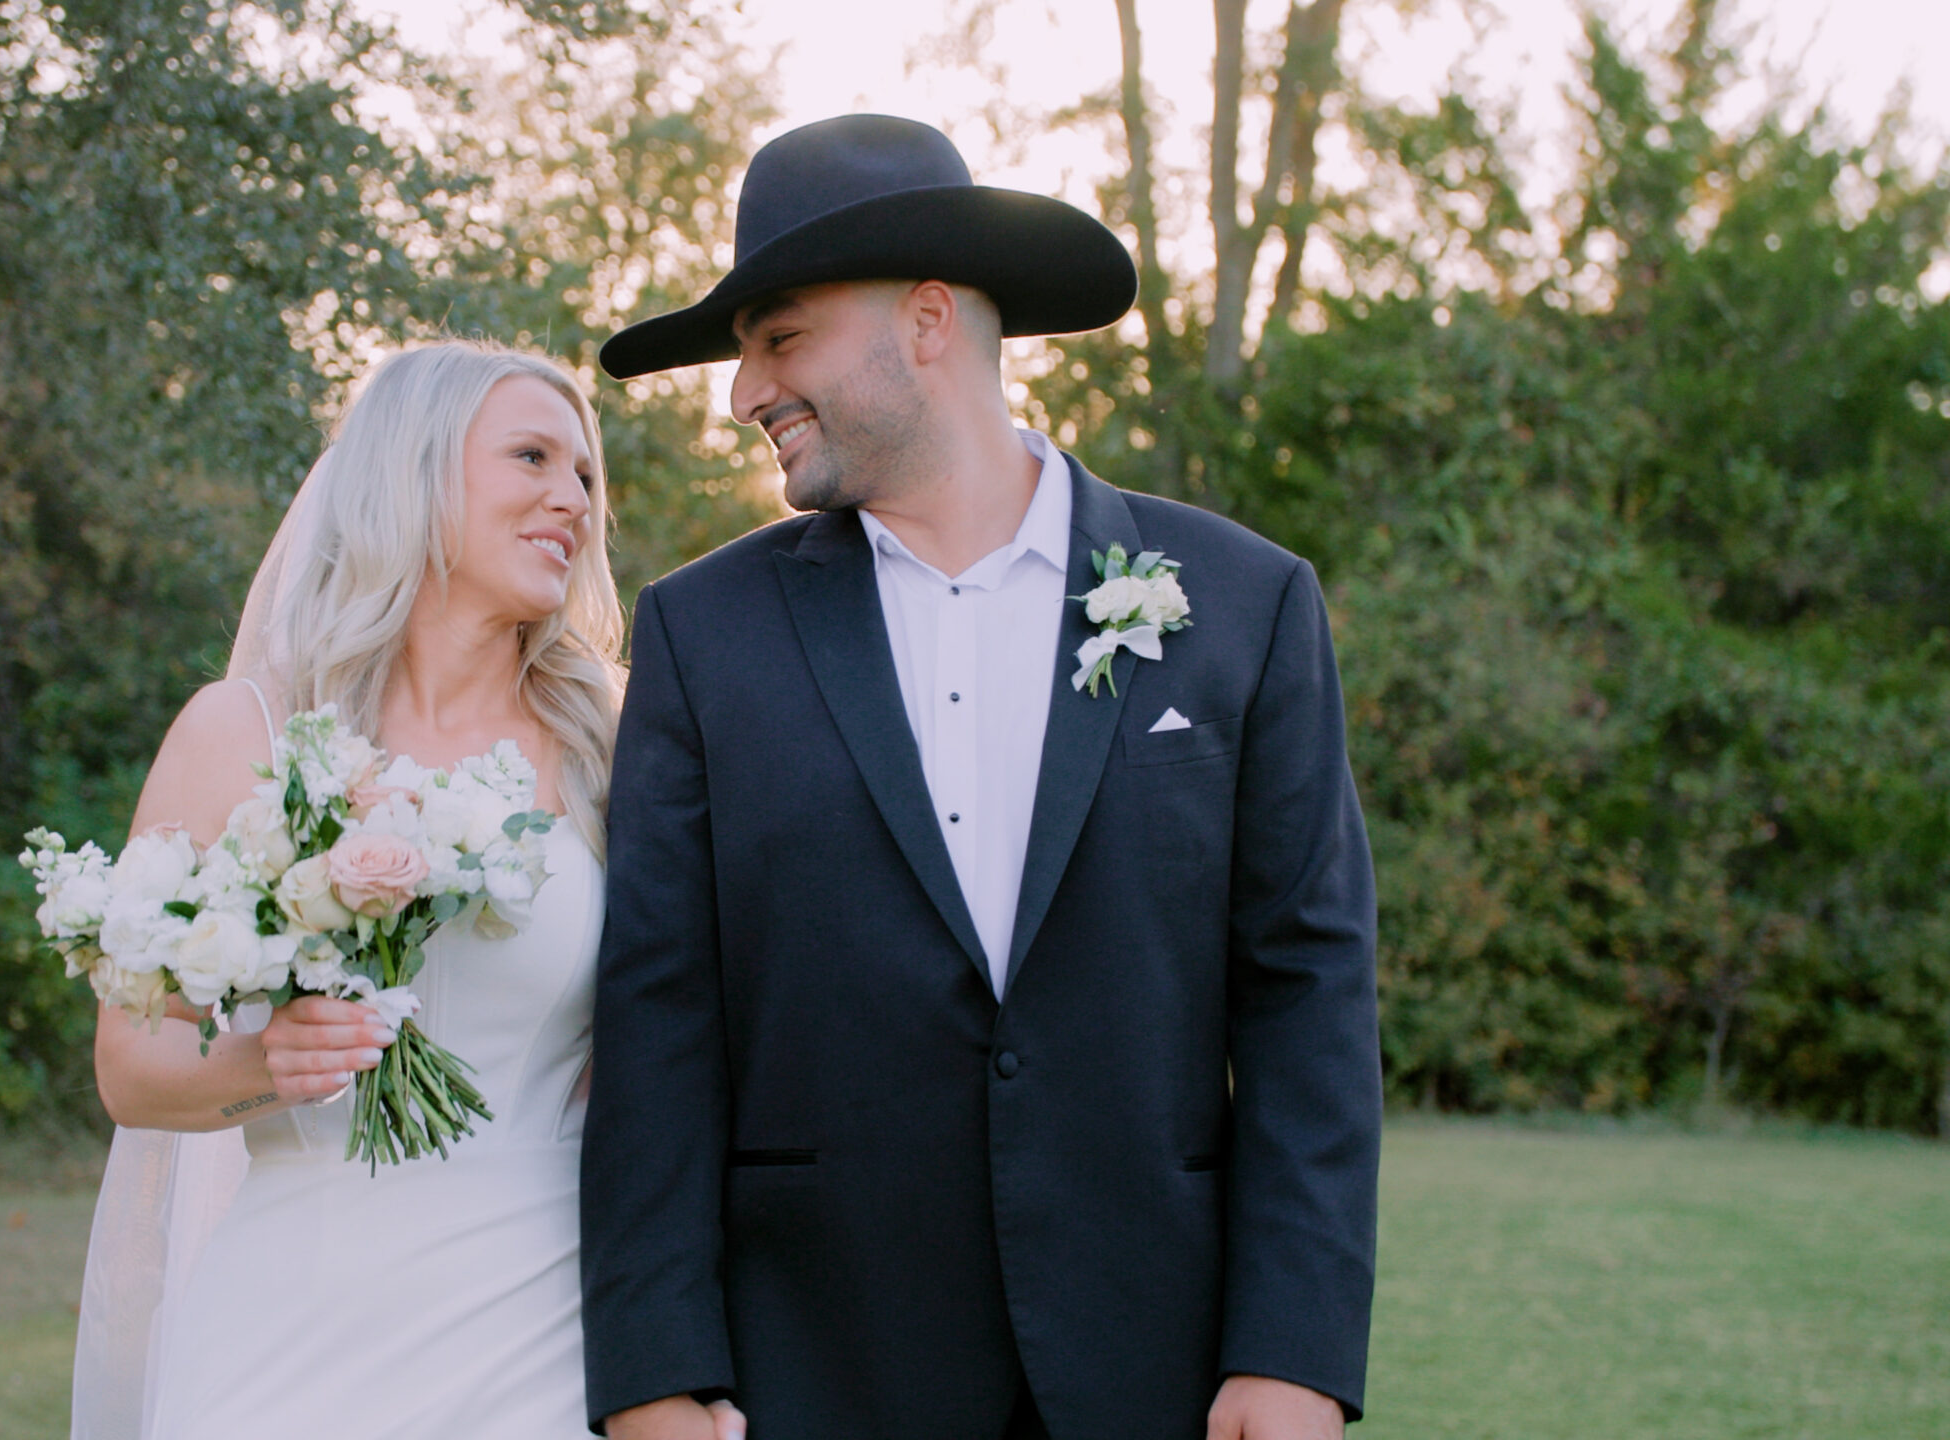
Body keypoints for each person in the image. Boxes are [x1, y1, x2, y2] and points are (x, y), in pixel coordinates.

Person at [581, 115, 1382, 1440]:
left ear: (932, 320)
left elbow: (1308, 993)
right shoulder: (699, 636)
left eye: (778, 338)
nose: (742, 392)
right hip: (817, 1370)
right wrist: (656, 1375)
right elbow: (661, 1019)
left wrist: (1293, 1349)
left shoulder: (1246, 605)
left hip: (1159, 1364)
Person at [67, 341, 628, 1439]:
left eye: (585, 475)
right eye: (531, 457)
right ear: (413, 476)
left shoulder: (618, 740)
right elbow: (131, 1068)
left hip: (542, 1316)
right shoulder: (244, 733)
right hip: (289, 1312)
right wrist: (266, 1063)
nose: (571, 498)